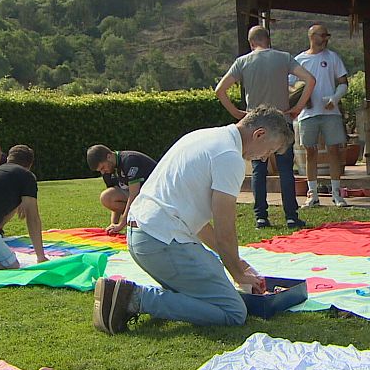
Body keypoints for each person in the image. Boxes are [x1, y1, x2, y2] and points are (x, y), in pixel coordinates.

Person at [91, 106, 294, 334]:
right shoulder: (229, 157)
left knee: (209, 290)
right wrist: (237, 273)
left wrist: (240, 265)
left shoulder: (203, 136)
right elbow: (224, 230)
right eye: (270, 150)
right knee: (234, 311)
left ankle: (132, 296)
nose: (266, 157)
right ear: (259, 134)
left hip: (141, 238)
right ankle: (134, 298)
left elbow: (197, 224)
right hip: (161, 242)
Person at [215, 25, 316, 229]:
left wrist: (236, 113)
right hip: (281, 119)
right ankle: (291, 216)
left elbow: (220, 90)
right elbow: (310, 80)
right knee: (286, 169)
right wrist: (297, 107)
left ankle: (261, 216)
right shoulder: (284, 57)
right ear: (268, 40)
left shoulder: (242, 62)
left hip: (255, 122)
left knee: (258, 169)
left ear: (251, 43)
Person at [291, 24, 351, 207]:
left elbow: (343, 82)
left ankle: (336, 193)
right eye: (323, 35)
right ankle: (313, 194)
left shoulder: (332, 57)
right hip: (308, 114)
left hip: (330, 112)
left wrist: (335, 97)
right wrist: (301, 97)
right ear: (312, 36)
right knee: (310, 151)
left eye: (327, 35)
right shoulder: (299, 60)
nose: (326, 38)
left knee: (334, 150)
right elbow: (290, 85)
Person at [86, 145, 157, 234]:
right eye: (100, 170)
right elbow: (115, 201)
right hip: (140, 198)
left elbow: (134, 194)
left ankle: (140, 218)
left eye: (103, 167)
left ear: (109, 156)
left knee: (134, 224)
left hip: (155, 196)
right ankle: (135, 218)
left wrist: (121, 224)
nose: (103, 172)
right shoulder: (107, 172)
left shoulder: (129, 161)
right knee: (106, 197)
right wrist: (113, 224)